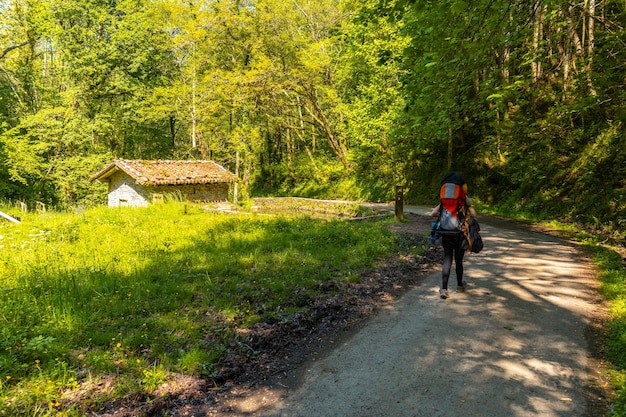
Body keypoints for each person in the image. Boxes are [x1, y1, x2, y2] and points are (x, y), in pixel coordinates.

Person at [430, 171, 477, 299]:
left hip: (446, 232)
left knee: (447, 260)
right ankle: (459, 286)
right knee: (459, 260)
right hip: (460, 233)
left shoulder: (444, 199)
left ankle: (444, 289)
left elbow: (433, 213)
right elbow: (474, 213)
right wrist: (468, 211)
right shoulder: (462, 197)